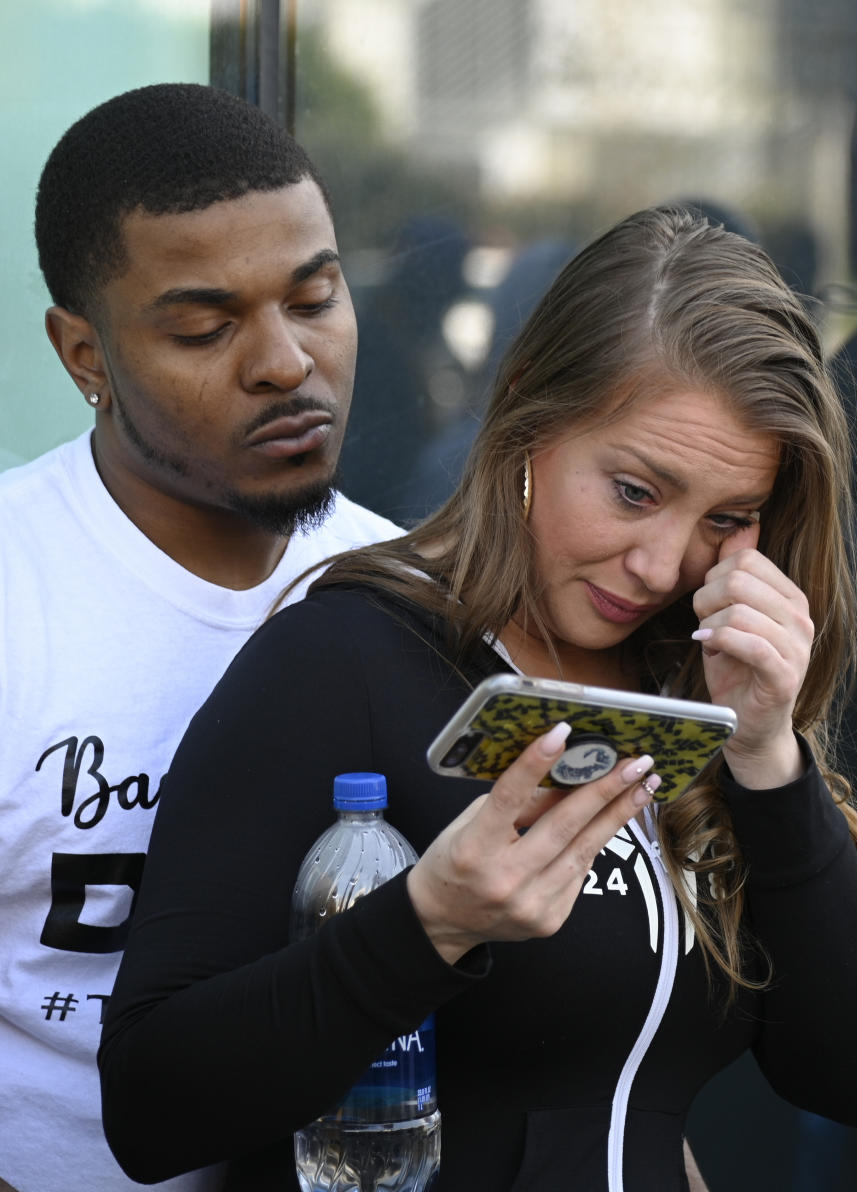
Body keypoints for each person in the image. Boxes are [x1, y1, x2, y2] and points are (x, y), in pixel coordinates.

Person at [99, 207, 857, 1191]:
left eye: (727, 518)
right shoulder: (347, 655)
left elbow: (856, 1072)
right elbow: (150, 1105)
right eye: (633, 491)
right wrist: (430, 920)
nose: (661, 564)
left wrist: (770, 760)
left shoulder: (686, 697)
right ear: (529, 413)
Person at [0, 83, 399, 1192]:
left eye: (315, 298)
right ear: (84, 355)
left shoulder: (413, 595)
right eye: (204, 327)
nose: (283, 362)